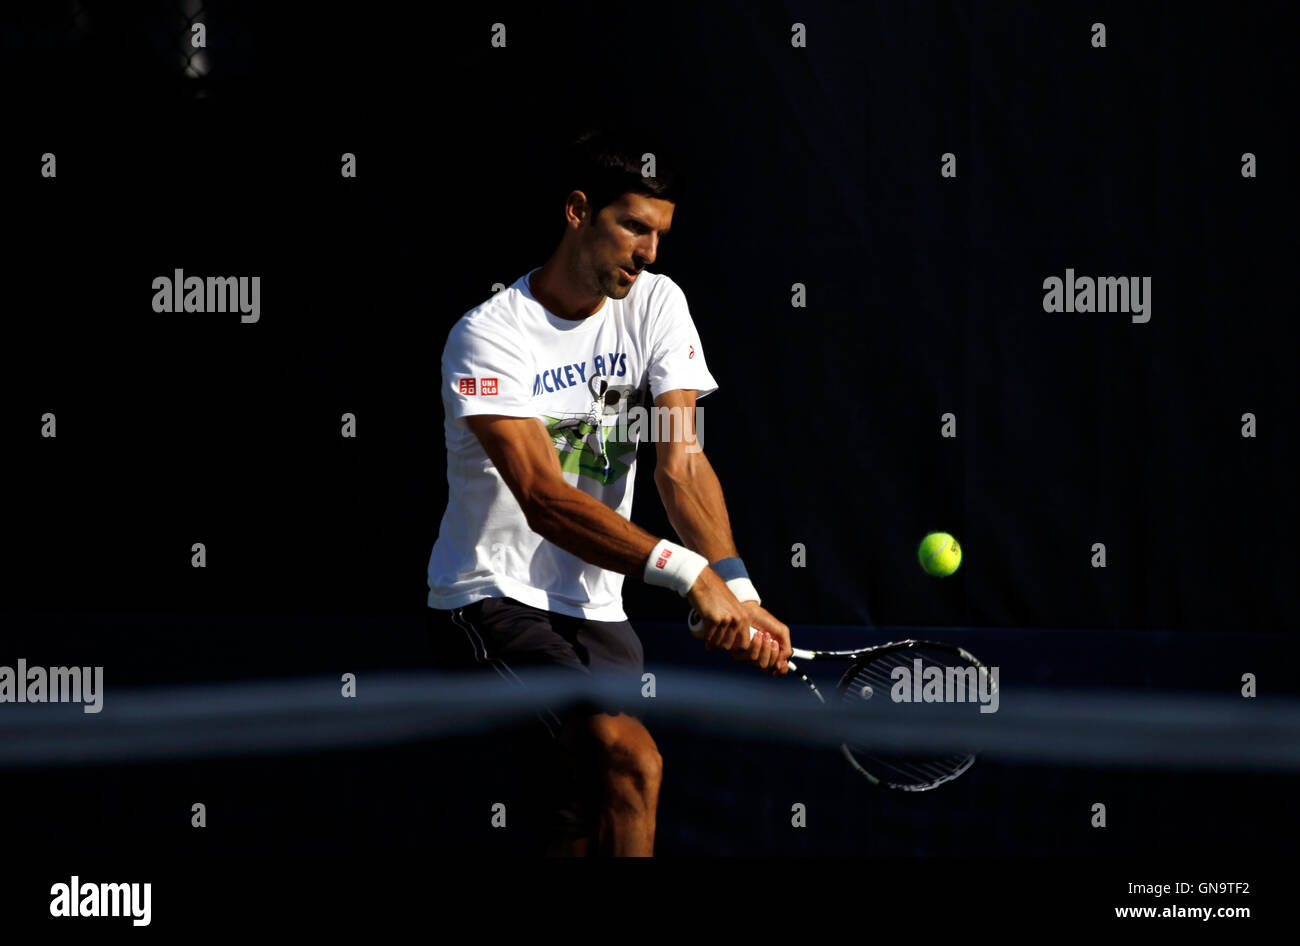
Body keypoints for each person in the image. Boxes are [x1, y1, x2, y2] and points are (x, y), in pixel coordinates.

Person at [426, 127, 793, 856]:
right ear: (577, 211)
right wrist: (689, 576)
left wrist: (737, 589)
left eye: (659, 234)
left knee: (580, 812)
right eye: (632, 226)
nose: (648, 252)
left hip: (598, 609)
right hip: (492, 597)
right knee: (632, 761)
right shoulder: (487, 337)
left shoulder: (658, 304)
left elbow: (680, 463)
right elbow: (541, 497)